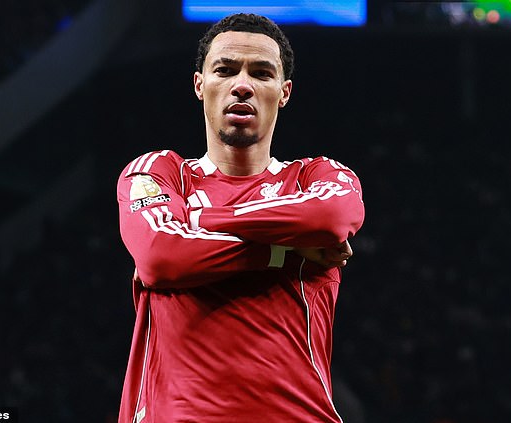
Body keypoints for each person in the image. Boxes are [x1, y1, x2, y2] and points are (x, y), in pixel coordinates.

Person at [116, 13, 365, 423]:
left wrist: (199, 219)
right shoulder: (158, 172)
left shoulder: (315, 177)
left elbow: (333, 216)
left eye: (261, 73)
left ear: (284, 92)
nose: (242, 84)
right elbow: (160, 255)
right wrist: (283, 251)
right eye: (225, 70)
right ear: (200, 85)